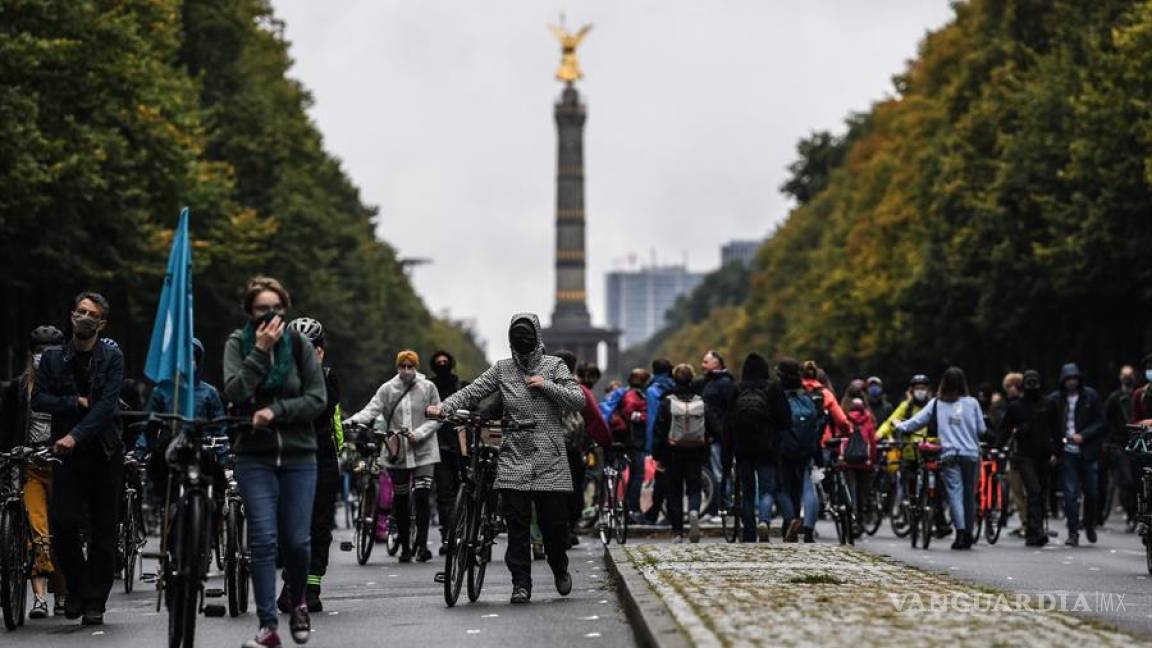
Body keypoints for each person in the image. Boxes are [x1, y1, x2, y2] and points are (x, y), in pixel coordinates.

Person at [427, 313, 584, 604]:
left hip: (549, 456)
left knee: (552, 526)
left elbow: (578, 399)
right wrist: (442, 407)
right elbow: (472, 392)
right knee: (517, 525)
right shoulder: (502, 369)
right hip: (514, 454)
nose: (522, 343)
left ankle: (559, 567)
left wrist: (545, 385)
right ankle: (520, 584)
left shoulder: (554, 366)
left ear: (537, 338)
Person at [223, 276, 326, 648]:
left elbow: (317, 399)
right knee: (263, 541)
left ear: (285, 310)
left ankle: (297, 600)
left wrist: (276, 411)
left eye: (276, 309)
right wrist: (259, 354)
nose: (270, 315)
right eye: (262, 309)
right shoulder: (238, 344)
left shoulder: (299, 346)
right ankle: (267, 626)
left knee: (297, 542)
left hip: (299, 455)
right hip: (254, 456)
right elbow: (233, 392)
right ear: (250, 313)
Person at [30, 293, 124, 625]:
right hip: (66, 458)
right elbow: (39, 399)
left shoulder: (111, 357)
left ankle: (94, 601)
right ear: (72, 315)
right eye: (80, 311)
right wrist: (73, 401)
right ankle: (78, 588)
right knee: (63, 524)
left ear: (102, 323)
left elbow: (105, 407)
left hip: (104, 452)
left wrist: (75, 435)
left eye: (91, 314)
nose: (84, 317)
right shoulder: (53, 358)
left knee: (103, 529)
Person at [346, 350, 441, 563]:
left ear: (416, 367)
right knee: (400, 498)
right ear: (397, 367)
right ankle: (405, 547)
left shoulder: (428, 388)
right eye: (402, 366)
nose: (406, 371)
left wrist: (420, 433)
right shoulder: (387, 389)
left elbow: (438, 416)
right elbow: (371, 410)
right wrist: (352, 421)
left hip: (424, 450)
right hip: (397, 451)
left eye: (410, 366)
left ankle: (422, 545)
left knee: (423, 496)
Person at [0, 325, 67, 618]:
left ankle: (62, 594)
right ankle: (39, 599)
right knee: (37, 530)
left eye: (50, 352)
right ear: (32, 354)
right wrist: (10, 450)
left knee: (62, 532)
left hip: (62, 467)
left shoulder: (67, 384)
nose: (44, 357)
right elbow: (6, 426)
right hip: (31, 467)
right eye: (40, 351)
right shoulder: (19, 387)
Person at [277, 317, 343, 613]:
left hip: (321, 457)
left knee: (318, 525)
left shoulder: (327, 376)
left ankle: (312, 587)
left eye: (311, 348)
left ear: (321, 351)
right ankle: (291, 583)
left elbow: (321, 407)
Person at [895, 367, 986, 550]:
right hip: (971, 454)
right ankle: (968, 533)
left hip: (949, 454)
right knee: (970, 495)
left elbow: (917, 422)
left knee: (955, 493)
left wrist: (900, 426)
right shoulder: (973, 403)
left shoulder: (937, 403)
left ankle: (959, 533)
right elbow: (981, 429)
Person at [728, 353, 791, 542]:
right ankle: (764, 520)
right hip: (767, 446)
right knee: (766, 489)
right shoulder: (773, 388)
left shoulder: (736, 389)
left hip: (742, 448)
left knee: (747, 492)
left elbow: (728, 422)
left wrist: (728, 449)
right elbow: (786, 420)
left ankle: (748, 532)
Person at [996, 370, 1059, 546]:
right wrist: (997, 448)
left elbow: (1056, 429)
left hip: (1043, 455)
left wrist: (1056, 452)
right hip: (1024, 456)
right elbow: (1004, 429)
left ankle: (1032, 531)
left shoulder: (1049, 405)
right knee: (1034, 490)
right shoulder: (1016, 407)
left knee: (1039, 493)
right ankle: (1036, 529)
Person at [652, 363, 713, 542]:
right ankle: (694, 511)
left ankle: (677, 532)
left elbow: (659, 430)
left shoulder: (667, 401)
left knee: (674, 491)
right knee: (694, 487)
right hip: (696, 450)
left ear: (674, 378)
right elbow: (712, 426)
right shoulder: (700, 400)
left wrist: (657, 454)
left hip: (672, 452)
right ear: (692, 378)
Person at [554, 350, 610, 544]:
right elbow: (595, 419)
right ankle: (568, 529)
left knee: (551, 492)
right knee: (574, 488)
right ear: (573, 367)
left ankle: (552, 531)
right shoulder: (578, 389)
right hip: (570, 447)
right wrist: (606, 442)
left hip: (547, 446)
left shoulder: (540, 384)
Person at [1048, 363, 1104, 547]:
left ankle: (1089, 524)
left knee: (1092, 492)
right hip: (1066, 451)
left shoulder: (1091, 396)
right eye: (1068, 379)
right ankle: (1073, 531)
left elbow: (1100, 422)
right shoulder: (1056, 400)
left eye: (1074, 378)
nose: (1071, 382)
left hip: (1088, 450)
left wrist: (1084, 435)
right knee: (1070, 493)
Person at [793, 361, 849, 542]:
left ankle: (797, 522)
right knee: (818, 480)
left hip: (799, 443)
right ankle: (828, 499)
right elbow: (841, 420)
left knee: (803, 484)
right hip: (824, 444)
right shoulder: (825, 394)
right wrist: (848, 431)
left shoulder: (796, 393)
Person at [429, 350, 463, 555]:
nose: (442, 364)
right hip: (438, 445)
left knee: (461, 491)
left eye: (445, 362)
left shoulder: (461, 386)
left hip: (460, 447)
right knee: (444, 494)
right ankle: (447, 536)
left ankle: (459, 531)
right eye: (438, 362)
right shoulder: (429, 388)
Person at [696, 350, 736, 520]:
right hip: (713, 436)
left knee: (719, 474)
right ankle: (716, 508)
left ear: (716, 363)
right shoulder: (714, 382)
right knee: (714, 475)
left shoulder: (723, 384)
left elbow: (728, 411)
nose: (702, 365)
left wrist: (718, 433)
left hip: (718, 437)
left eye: (706, 362)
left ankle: (722, 509)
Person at [607, 368, 649, 521]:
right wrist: (646, 416)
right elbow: (629, 413)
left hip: (631, 440)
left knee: (635, 475)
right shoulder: (632, 395)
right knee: (637, 475)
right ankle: (632, 509)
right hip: (633, 440)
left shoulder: (630, 393)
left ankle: (630, 508)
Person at [1102, 364, 1137, 530]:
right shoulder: (1114, 398)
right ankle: (1131, 515)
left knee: (1138, 480)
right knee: (1126, 481)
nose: (1127, 378)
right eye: (1125, 375)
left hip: (1139, 442)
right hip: (1120, 444)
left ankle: (1137, 514)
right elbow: (1106, 420)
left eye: (1130, 375)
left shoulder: (1138, 395)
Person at [642, 359, 676, 525]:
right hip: (679, 439)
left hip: (663, 441)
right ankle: (658, 512)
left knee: (662, 477)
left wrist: (651, 446)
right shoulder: (674, 385)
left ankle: (658, 513)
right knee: (671, 478)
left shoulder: (653, 390)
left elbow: (653, 419)